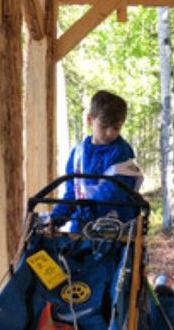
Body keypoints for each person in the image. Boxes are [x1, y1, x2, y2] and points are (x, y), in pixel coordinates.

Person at [50, 90, 144, 228]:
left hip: (115, 230)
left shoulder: (122, 152)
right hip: (81, 228)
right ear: (90, 120)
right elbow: (72, 192)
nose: (110, 133)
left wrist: (86, 213)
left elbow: (113, 192)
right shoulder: (77, 154)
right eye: (104, 126)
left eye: (116, 128)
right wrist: (57, 218)